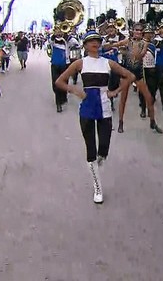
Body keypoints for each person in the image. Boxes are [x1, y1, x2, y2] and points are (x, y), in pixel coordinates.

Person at [55, 31, 134, 204]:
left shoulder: (108, 63)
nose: (95, 44)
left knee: (103, 148)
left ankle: (97, 166)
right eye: (91, 41)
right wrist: (75, 90)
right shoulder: (80, 63)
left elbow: (130, 76)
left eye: (97, 41)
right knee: (90, 148)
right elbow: (60, 81)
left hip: (105, 108)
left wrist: (115, 92)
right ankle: (97, 187)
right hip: (87, 110)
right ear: (84, 45)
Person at [50, 28, 70, 112]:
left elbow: (76, 44)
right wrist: (55, 34)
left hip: (65, 64)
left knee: (65, 82)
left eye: (60, 31)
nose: (59, 33)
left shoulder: (67, 40)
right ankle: (58, 103)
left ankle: (63, 97)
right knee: (56, 83)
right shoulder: (53, 40)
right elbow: (51, 39)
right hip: (55, 64)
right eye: (57, 31)